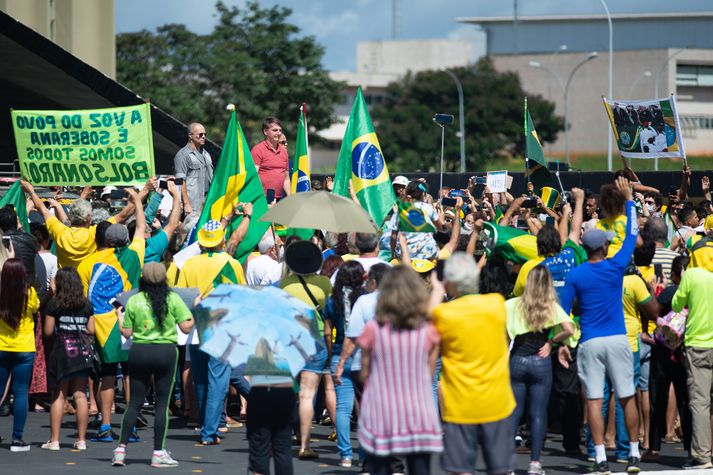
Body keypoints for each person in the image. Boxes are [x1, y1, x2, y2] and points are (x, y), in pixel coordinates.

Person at [560, 177, 641, 474]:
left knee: (594, 400)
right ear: (605, 248)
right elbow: (632, 233)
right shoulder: (617, 266)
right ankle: (633, 453)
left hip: (590, 340)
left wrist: (562, 342)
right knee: (626, 395)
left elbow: (563, 312)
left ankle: (600, 457)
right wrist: (629, 199)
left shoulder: (576, 274)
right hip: (619, 339)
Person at [431, 252, 515, 475]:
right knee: (501, 469)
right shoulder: (496, 305)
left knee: (460, 470)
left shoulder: (443, 314)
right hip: (497, 402)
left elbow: (421, 332)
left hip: (459, 406)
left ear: (448, 283)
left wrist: (437, 291)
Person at [76, 188, 147, 443]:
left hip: (101, 329)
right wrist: (138, 201)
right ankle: (131, 428)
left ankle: (105, 426)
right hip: (131, 325)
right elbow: (140, 228)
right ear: (124, 240)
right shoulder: (133, 255)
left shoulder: (87, 263)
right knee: (133, 377)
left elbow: (84, 300)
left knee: (106, 376)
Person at [358, 265, 442, 475]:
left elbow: (365, 373)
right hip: (419, 411)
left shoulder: (373, 330)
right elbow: (429, 375)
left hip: (382, 412)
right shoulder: (428, 332)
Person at [112, 262, 194, 467]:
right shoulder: (173, 298)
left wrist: (119, 318)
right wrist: (195, 313)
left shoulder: (135, 300)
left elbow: (127, 332)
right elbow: (185, 327)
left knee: (135, 403)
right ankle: (158, 452)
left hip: (139, 352)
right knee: (162, 404)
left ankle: (121, 449)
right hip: (166, 352)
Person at [177, 220, 246, 445]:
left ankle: (208, 426)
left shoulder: (189, 265)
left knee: (202, 379)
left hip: (196, 327)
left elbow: (182, 298)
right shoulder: (232, 263)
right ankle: (209, 430)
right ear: (222, 239)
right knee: (217, 380)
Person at [506, 266, 574, 475]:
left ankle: (506, 463)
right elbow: (569, 329)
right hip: (540, 358)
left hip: (518, 357)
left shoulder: (511, 305)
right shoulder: (550, 306)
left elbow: (502, 331)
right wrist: (552, 342)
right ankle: (535, 463)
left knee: (514, 412)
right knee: (537, 413)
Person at [278, 240, 331, 459]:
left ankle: (285, 437)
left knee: (289, 392)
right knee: (308, 395)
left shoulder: (284, 285)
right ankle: (305, 445)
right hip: (314, 339)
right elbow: (329, 315)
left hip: (290, 341)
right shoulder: (324, 284)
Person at [21, 180, 134, 269]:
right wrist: (140, 195)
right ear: (89, 219)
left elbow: (42, 209)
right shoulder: (94, 233)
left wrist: (31, 191)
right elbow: (123, 215)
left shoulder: (61, 231)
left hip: (64, 287)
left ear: (72, 216)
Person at [42, 267, 95, 451]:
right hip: (81, 351)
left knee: (59, 394)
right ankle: (81, 440)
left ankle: (54, 440)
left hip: (62, 351)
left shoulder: (55, 304)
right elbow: (92, 330)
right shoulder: (87, 304)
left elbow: (48, 332)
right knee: (80, 395)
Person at [644, 255, 692, 461]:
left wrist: (654, 290)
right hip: (683, 351)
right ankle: (691, 447)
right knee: (686, 400)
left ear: (673, 274)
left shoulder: (670, 292)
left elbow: (653, 309)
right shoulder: (694, 293)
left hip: (663, 351)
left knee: (658, 398)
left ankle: (654, 447)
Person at [323, 261, 367, 467]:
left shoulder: (333, 300)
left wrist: (332, 354)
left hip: (339, 353)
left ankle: (346, 454)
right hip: (363, 357)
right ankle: (366, 455)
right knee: (366, 407)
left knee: (343, 407)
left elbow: (326, 331)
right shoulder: (365, 299)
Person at [671, 257, 713, 469]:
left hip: (698, 345)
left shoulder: (693, 274)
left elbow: (676, 303)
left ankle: (703, 455)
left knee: (700, 402)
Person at [0, 258, 41, 452]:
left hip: (1, 346)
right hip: (24, 347)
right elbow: (36, 308)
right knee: (21, 392)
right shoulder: (29, 293)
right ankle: (17, 439)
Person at [174, 122, 214, 216]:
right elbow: (180, 181)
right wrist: (186, 204)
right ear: (190, 135)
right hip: (193, 204)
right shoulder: (182, 155)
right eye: (200, 134)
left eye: (205, 134)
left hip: (208, 201)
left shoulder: (206, 154)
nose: (203, 137)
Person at [251, 117, 290, 199]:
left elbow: (286, 178)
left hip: (279, 198)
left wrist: (290, 197)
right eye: (275, 130)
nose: (278, 133)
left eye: (280, 130)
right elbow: (253, 176)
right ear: (265, 131)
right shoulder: (257, 149)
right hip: (261, 198)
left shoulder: (284, 152)